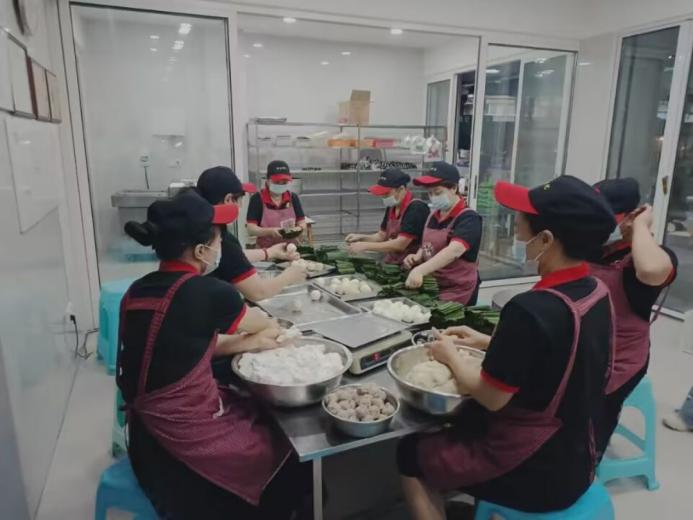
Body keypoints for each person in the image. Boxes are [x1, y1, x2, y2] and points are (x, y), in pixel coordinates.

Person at [397, 175, 616, 519]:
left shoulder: (530, 309)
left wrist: (450, 355)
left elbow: (491, 397)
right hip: (579, 457)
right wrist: (488, 341)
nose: (516, 225)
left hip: (533, 467)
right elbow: (561, 352)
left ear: (546, 239)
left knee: (409, 454)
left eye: (523, 218)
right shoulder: (596, 292)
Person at [117, 190, 309, 519]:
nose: (223, 245)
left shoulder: (136, 290)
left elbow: (178, 348)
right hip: (182, 455)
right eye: (219, 238)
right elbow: (263, 322)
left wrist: (246, 344)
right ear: (201, 251)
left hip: (142, 442)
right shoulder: (208, 292)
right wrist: (263, 334)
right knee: (285, 457)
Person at [588, 178, 677, 454]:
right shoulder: (604, 250)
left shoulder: (656, 257)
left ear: (633, 215)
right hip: (586, 350)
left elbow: (649, 270)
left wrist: (641, 226)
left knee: (588, 430)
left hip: (618, 361)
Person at [197, 166, 307, 302]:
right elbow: (258, 292)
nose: (240, 206)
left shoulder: (201, 224)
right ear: (228, 199)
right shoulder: (218, 237)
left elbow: (232, 256)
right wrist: (288, 276)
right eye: (240, 199)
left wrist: (270, 252)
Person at [403, 161, 481, 305]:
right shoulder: (433, 215)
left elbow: (454, 251)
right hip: (433, 285)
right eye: (430, 193)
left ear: (454, 188)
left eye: (437, 192)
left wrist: (420, 270)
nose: (433, 197)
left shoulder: (469, 218)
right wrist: (418, 256)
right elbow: (428, 244)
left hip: (457, 290)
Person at [344, 168, 429, 264]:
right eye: (382, 194)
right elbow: (381, 236)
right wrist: (361, 237)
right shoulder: (392, 206)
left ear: (401, 189)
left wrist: (365, 246)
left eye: (386, 193)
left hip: (410, 265)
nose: (383, 197)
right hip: (393, 263)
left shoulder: (416, 208)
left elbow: (400, 244)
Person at [246, 160, 306, 248]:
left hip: (290, 249)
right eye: (277, 182)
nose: (281, 185)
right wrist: (270, 231)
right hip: (266, 250)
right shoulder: (257, 199)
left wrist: (298, 229)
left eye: (284, 182)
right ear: (267, 181)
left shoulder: (293, 198)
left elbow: (302, 222)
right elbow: (251, 229)